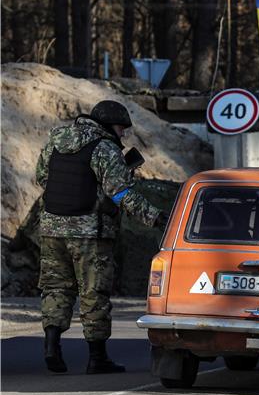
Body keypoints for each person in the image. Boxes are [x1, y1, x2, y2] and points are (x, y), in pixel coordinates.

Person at [36, 100, 167, 374]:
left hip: (51, 229)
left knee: (56, 288)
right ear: (109, 124)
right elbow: (120, 194)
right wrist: (156, 217)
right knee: (93, 294)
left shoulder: (56, 140)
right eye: (121, 129)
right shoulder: (104, 148)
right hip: (90, 234)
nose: (122, 135)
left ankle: (51, 347)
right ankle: (97, 359)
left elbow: (42, 178)